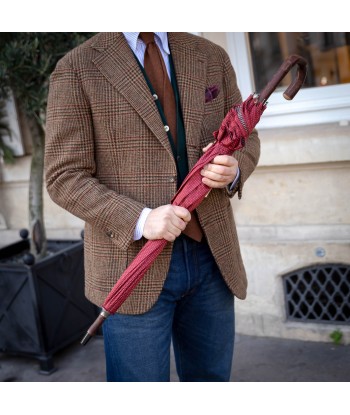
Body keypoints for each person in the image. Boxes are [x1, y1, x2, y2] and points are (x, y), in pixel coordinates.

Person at [45, 32, 260, 382]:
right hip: (130, 265)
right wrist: (140, 219)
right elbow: (64, 176)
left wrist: (236, 168)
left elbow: (244, 136)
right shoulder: (76, 68)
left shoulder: (211, 55)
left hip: (212, 258)